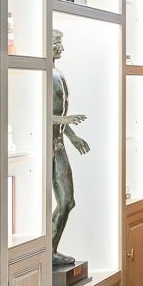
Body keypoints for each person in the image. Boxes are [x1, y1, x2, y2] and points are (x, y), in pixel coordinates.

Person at [50, 30, 90, 273]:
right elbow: (37, 113)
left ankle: (50, 249)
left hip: (58, 144)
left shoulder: (58, 74)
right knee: (63, 201)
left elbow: (60, 113)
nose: (62, 48)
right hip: (46, 146)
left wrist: (72, 135)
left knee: (68, 201)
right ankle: (46, 250)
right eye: (57, 43)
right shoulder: (40, 75)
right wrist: (65, 120)